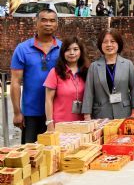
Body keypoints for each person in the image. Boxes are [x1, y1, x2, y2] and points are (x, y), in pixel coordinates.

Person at [11, 9, 62, 143]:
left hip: (57, 112)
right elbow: (15, 81)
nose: (48, 24)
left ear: (57, 24)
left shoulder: (64, 49)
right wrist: (17, 112)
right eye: (44, 20)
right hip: (31, 113)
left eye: (52, 20)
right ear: (36, 22)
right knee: (31, 155)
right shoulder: (22, 49)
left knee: (58, 153)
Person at [82, 29, 134, 120]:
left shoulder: (128, 64)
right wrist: (87, 115)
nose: (109, 45)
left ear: (118, 44)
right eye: (105, 42)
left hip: (124, 113)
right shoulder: (94, 67)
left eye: (112, 41)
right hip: (101, 114)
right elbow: (89, 92)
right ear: (101, 45)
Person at [44, 37, 90, 130]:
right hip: (61, 125)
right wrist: (49, 123)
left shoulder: (87, 72)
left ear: (81, 52)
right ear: (63, 53)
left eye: (75, 49)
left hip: (83, 124)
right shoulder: (55, 72)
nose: (72, 53)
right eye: (68, 50)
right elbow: (48, 100)